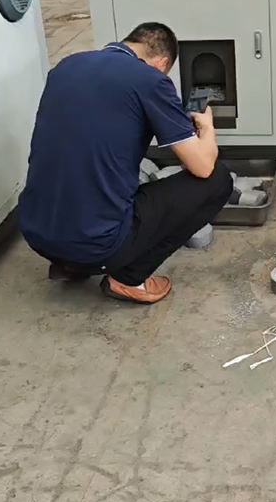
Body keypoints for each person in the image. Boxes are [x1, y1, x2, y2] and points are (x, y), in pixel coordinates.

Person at [18, 23, 232, 303]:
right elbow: (203, 166)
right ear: (162, 63)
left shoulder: (66, 67)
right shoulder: (150, 79)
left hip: (37, 234)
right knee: (218, 180)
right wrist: (207, 126)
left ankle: (69, 264)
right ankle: (129, 279)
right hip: (97, 245)